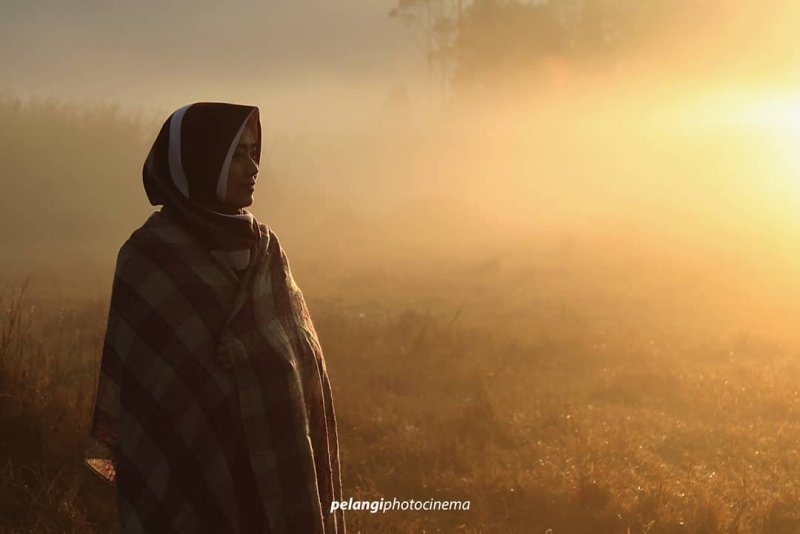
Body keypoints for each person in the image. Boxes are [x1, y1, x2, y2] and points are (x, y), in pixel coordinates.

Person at [84, 102, 345, 534]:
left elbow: (301, 355)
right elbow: (147, 391)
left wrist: (252, 357)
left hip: (275, 460)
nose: (253, 166)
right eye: (237, 155)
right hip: (190, 468)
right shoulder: (147, 259)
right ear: (202, 163)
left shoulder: (266, 249)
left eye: (254, 151)